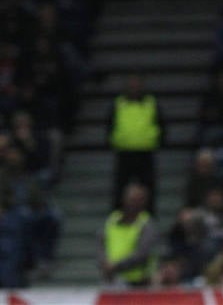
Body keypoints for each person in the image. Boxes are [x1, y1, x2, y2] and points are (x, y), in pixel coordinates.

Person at [108, 72, 162, 212]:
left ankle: (149, 218)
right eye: (131, 83)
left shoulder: (151, 102)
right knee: (120, 188)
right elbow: (110, 124)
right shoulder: (119, 103)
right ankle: (118, 217)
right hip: (124, 152)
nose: (134, 86)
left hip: (145, 152)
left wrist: (156, 140)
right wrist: (114, 141)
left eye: (137, 83)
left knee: (148, 187)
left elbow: (160, 124)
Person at [98, 182, 159, 287]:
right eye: (131, 199)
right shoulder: (112, 220)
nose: (133, 203)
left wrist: (115, 266)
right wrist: (104, 263)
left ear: (144, 202)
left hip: (138, 283)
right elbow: (100, 244)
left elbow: (142, 253)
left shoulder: (146, 224)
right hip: (111, 279)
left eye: (137, 200)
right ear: (123, 199)